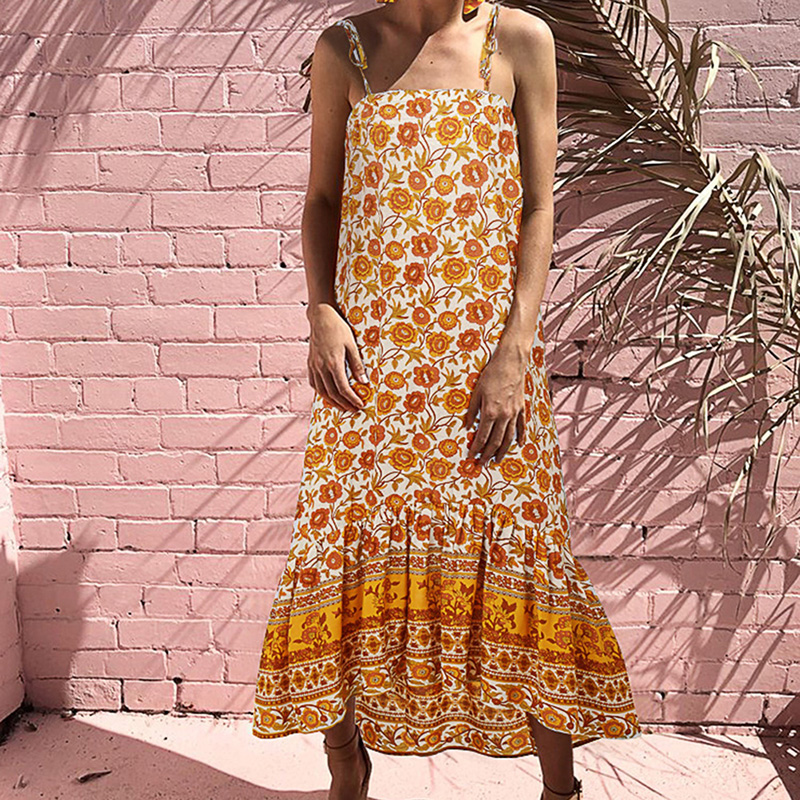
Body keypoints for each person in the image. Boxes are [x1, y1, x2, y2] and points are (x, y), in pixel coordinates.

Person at [252, 1, 642, 798]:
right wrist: (321, 312)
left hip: (485, 360)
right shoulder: (346, 48)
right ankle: (346, 763)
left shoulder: (519, 40)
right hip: (372, 365)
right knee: (344, 549)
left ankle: (559, 788)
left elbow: (539, 205)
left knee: (524, 549)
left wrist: (516, 347)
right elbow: (322, 198)